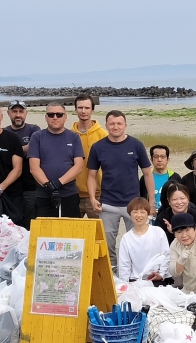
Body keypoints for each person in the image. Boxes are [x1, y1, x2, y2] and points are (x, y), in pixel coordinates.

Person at [87, 110, 154, 260]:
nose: (115, 127)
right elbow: (91, 175)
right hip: (108, 204)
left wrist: (151, 201)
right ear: (106, 125)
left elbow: (148, 174)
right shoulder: (98, 147)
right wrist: (92, 198)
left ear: (125, 125)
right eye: (112, 124)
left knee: (138, 241)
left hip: (133, 204)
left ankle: (135, 271)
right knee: (108, 243)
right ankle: (112, 271)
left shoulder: (136, 145)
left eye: (119, 123)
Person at [27, 103, 85, 218]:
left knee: (70, 232)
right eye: (51, 114)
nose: (55, 117)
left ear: (65, 117)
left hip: (69, 194)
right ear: (46, 117)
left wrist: (57, 184)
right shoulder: (37, 137)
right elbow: (34, 168)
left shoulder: (74, 137)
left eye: (59, 114)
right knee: (45, 233)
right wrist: (49, 187)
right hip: (43, 196)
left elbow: (78, 166)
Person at [3, 100, 41, 228]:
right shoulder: (4, 132)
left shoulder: (34, 129)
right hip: (9, 187)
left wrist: (11, 150)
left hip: (31, 185)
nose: (18, 115)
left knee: (31, 221)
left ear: (26, 113)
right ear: (8, 113)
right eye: (14, 111)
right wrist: (23, 149)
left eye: (21, 111)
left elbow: (35, 147)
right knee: (12, 222)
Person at [116, 197, 170, 283]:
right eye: (135, 212)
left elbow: (166, 255)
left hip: (156, 279)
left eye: (142, 212)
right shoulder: (126, 238)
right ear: (130, 214)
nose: (139, 215)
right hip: (135, 280)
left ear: (148, 214)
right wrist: (124, 284)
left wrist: (161, 275)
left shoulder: (158, 232)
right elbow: (124, 265)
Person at [72, 94, 108, 218]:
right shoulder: (69, 135)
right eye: (80, 108)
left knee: (98, 234)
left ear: (92, 110)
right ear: (75, 109)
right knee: (73, 235)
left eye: (87, 108)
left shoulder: (103, 134)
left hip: (98, 194)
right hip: (73, 193)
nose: (83, 111)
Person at [140, 144, 181, 210]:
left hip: (168, 215)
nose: (159, 160)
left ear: (168, 160)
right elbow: (141, 197)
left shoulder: (175, 177)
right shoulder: (145, 178)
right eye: (156, 157)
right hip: (150, 214)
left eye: (162, 157)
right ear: (151, 160)